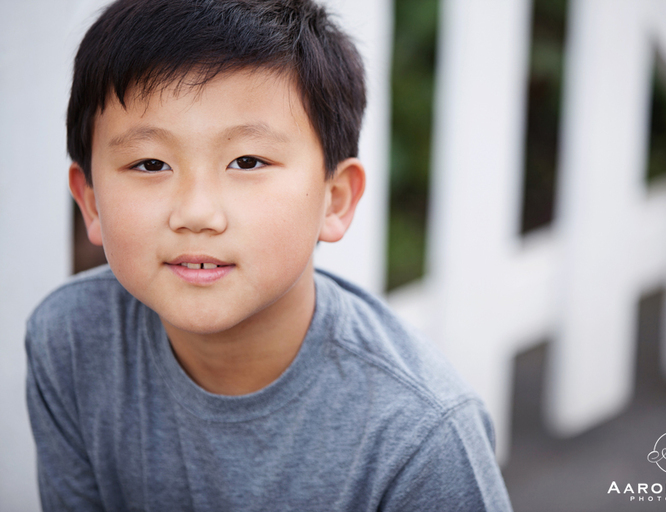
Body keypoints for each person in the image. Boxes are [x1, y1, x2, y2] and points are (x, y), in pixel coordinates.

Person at [25, 0, 513, 510]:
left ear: (335, 200)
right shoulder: (71, 343)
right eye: (150, 164)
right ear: (91, 202)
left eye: (247, 161)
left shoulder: (419, 435)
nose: (196, 213)